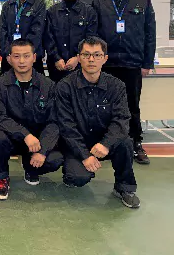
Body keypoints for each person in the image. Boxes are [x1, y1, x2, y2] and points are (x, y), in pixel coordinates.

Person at [56, 36, 140, 209]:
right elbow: (66, 126)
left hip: (104, 142)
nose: (91, 59)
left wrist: (106, 144)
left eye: (97, 55)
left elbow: (121, 119)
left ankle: (124, 188)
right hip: (77, 144)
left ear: (105, 58)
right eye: (86, 55)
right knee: (78, 178)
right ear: (79, 58)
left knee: (125, 142)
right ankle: (72, 172)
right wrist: (84, 155)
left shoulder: (116, 86)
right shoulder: (65, 86)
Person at [92, 0, 156, 165]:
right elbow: (93, 34)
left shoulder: (142, 0)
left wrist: (147, 62)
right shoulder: (99, 2)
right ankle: (105, 144)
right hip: (106, 64)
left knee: (131, 106)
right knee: (103, 106)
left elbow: (150, 33)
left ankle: (136, 143)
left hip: (132, 63)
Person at [0, 39, 63, 201]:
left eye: (26, 56)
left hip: (37, 141)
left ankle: (32, 169)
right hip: (12, 137)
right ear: (9, 59)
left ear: (34, 58)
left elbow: (54, 121)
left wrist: (42, 150)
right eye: (16, 56)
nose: (22, 61)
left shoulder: (48, 85)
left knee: (55, 159)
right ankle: (1, 178)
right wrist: (25, 134)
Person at [45, 0, 97, 84]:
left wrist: (78, 58)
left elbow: (91, 38)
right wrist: (56, 58)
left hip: (81, 64)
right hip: (57, 66)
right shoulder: (52, 11)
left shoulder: (89, 11)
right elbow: (48, 37)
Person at [0, 0, 46, 75]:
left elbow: (37, 31)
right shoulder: (8, 5)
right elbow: (3, 32)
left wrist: (22, 54)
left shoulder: (39, 4)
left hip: (31, 59)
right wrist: (9, 54)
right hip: (10, 59)